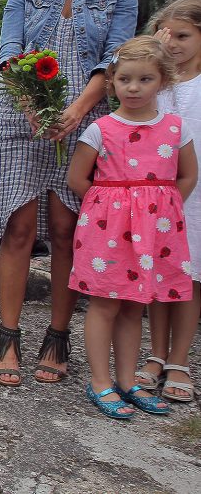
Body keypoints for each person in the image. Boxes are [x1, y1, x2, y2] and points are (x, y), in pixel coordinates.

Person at [0, 0, 138, 386]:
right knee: (19, 228)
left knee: (69, 230)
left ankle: (58, 336)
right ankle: (7, 336)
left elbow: (114, 57)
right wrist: (31, 104)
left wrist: (76, 112)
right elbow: (9, 52)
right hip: (24, 112)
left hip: (85, 115)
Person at [67, 36, 196, 418]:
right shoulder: (102, 129)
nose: (134, 88)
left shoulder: (175, 129)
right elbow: (78, 178)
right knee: (105, 304)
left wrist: (161, 209)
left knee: (133, 306)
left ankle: (127, 381)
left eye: (145, 79)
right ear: (113, 82)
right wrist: (115, 208)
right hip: (106, 232)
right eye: (125, 79)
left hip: (153, 233)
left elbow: (187, 176)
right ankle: (100, 381)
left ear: (163, 82)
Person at [137, 0, 201, 402]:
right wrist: (156, 57)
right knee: (158, 275)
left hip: (195, 193)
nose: (174, 43)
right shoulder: (158, 86)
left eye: (183, 36)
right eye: (168, 36)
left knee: (190, 276)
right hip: (158, 193)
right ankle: (156, 353)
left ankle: (180, 359)